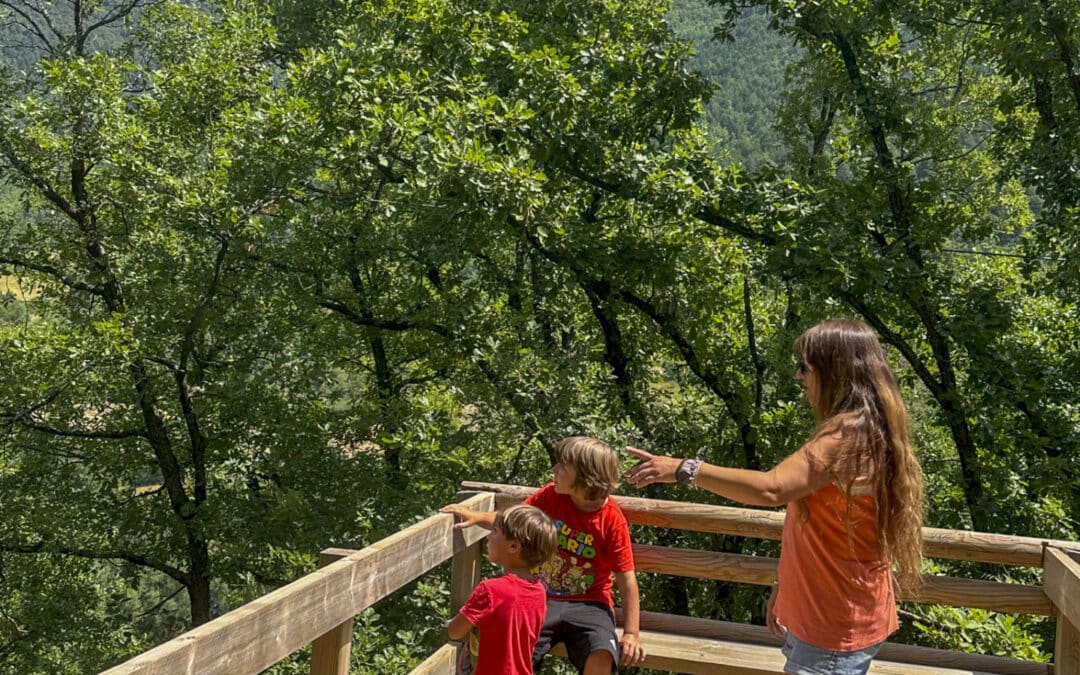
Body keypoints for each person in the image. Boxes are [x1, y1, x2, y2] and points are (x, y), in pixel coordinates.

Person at [625, 319, 924, 675]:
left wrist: (685, 469)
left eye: (805, 367)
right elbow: (824, 526)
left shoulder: (846, 436)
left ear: (835, 371)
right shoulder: (866, 428)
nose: (799, 376)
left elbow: (772, 489)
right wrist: (786, 587)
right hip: (828, 615)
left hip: (832, 626)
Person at [442, 436, 646, 675]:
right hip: (541, 597)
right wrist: (477, 517)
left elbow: (626, 578)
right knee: (515, 648)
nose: (554, 470)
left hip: (591, 603)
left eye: (562, 466)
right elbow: (515, 524)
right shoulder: (551, 496)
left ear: (585, 477)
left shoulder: (611, 520)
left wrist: (631, 633)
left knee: (600, 654)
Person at [447, 504, 558, 675]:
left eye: (495, 532)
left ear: (513, 547)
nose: (489, 537)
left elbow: (455, 631)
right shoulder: (539, 591)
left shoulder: (490, 590)